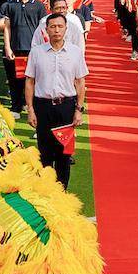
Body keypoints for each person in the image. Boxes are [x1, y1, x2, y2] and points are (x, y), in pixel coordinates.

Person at [23, 10, 87, 187]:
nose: (56, 30)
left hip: (66, 107)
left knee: (64, 154)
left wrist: (78, 110)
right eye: (53, 27)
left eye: (60, 26)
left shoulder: (75, 53)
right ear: (47, 29)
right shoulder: (36, 52)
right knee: (44, 152)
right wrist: (30, 110)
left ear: (66, 29)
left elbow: (80, 82)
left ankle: (61, 192)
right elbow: (30, 81)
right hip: (43, 106)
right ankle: (45, 190)